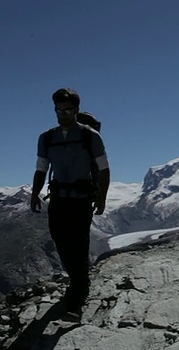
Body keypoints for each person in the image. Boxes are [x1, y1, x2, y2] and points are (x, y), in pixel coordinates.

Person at [30, 88, 110, 317]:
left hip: (82, 200)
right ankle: (78, 281)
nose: (62, 113)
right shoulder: (46, 138)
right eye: (59, 109)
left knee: (78, 244)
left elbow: (104, 170)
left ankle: (78, 292)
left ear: (76, 109)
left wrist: (101, 198)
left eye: (67, 109)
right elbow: (41, 169)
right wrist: (35, 193)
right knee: (61, 242)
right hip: (58, 200)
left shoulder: (90, 136)